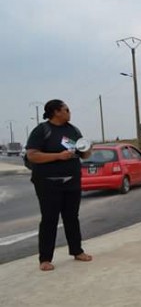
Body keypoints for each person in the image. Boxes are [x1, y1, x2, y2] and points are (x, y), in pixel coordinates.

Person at [26, 99, 93, 271]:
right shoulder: (42, 130)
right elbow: (32, 156)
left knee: (72, 217)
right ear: (56, 112)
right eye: (66, 110)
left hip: (72, 181)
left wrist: (86, 149)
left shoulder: (73, 130)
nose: (69, 113)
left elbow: (83, 155)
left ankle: (77, 251)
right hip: (48, 183)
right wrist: (57, 156)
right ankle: (45, 259)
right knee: (49, 219)